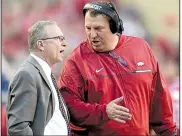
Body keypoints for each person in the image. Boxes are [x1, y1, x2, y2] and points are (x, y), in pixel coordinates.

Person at [58, 2, 177, 136]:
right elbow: (67, 106)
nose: (92, 34)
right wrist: (103, 112)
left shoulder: (141, 48)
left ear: (114, 26)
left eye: (98, 28)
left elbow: (159, 97)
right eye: (88, 28)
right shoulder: (76, 60)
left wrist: (169, 132)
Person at [6, 20, 71, 136]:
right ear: (41, 44)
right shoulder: (27, 74)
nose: (64, 43)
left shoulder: (45, 73)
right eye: (58, 38)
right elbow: (18, 128)